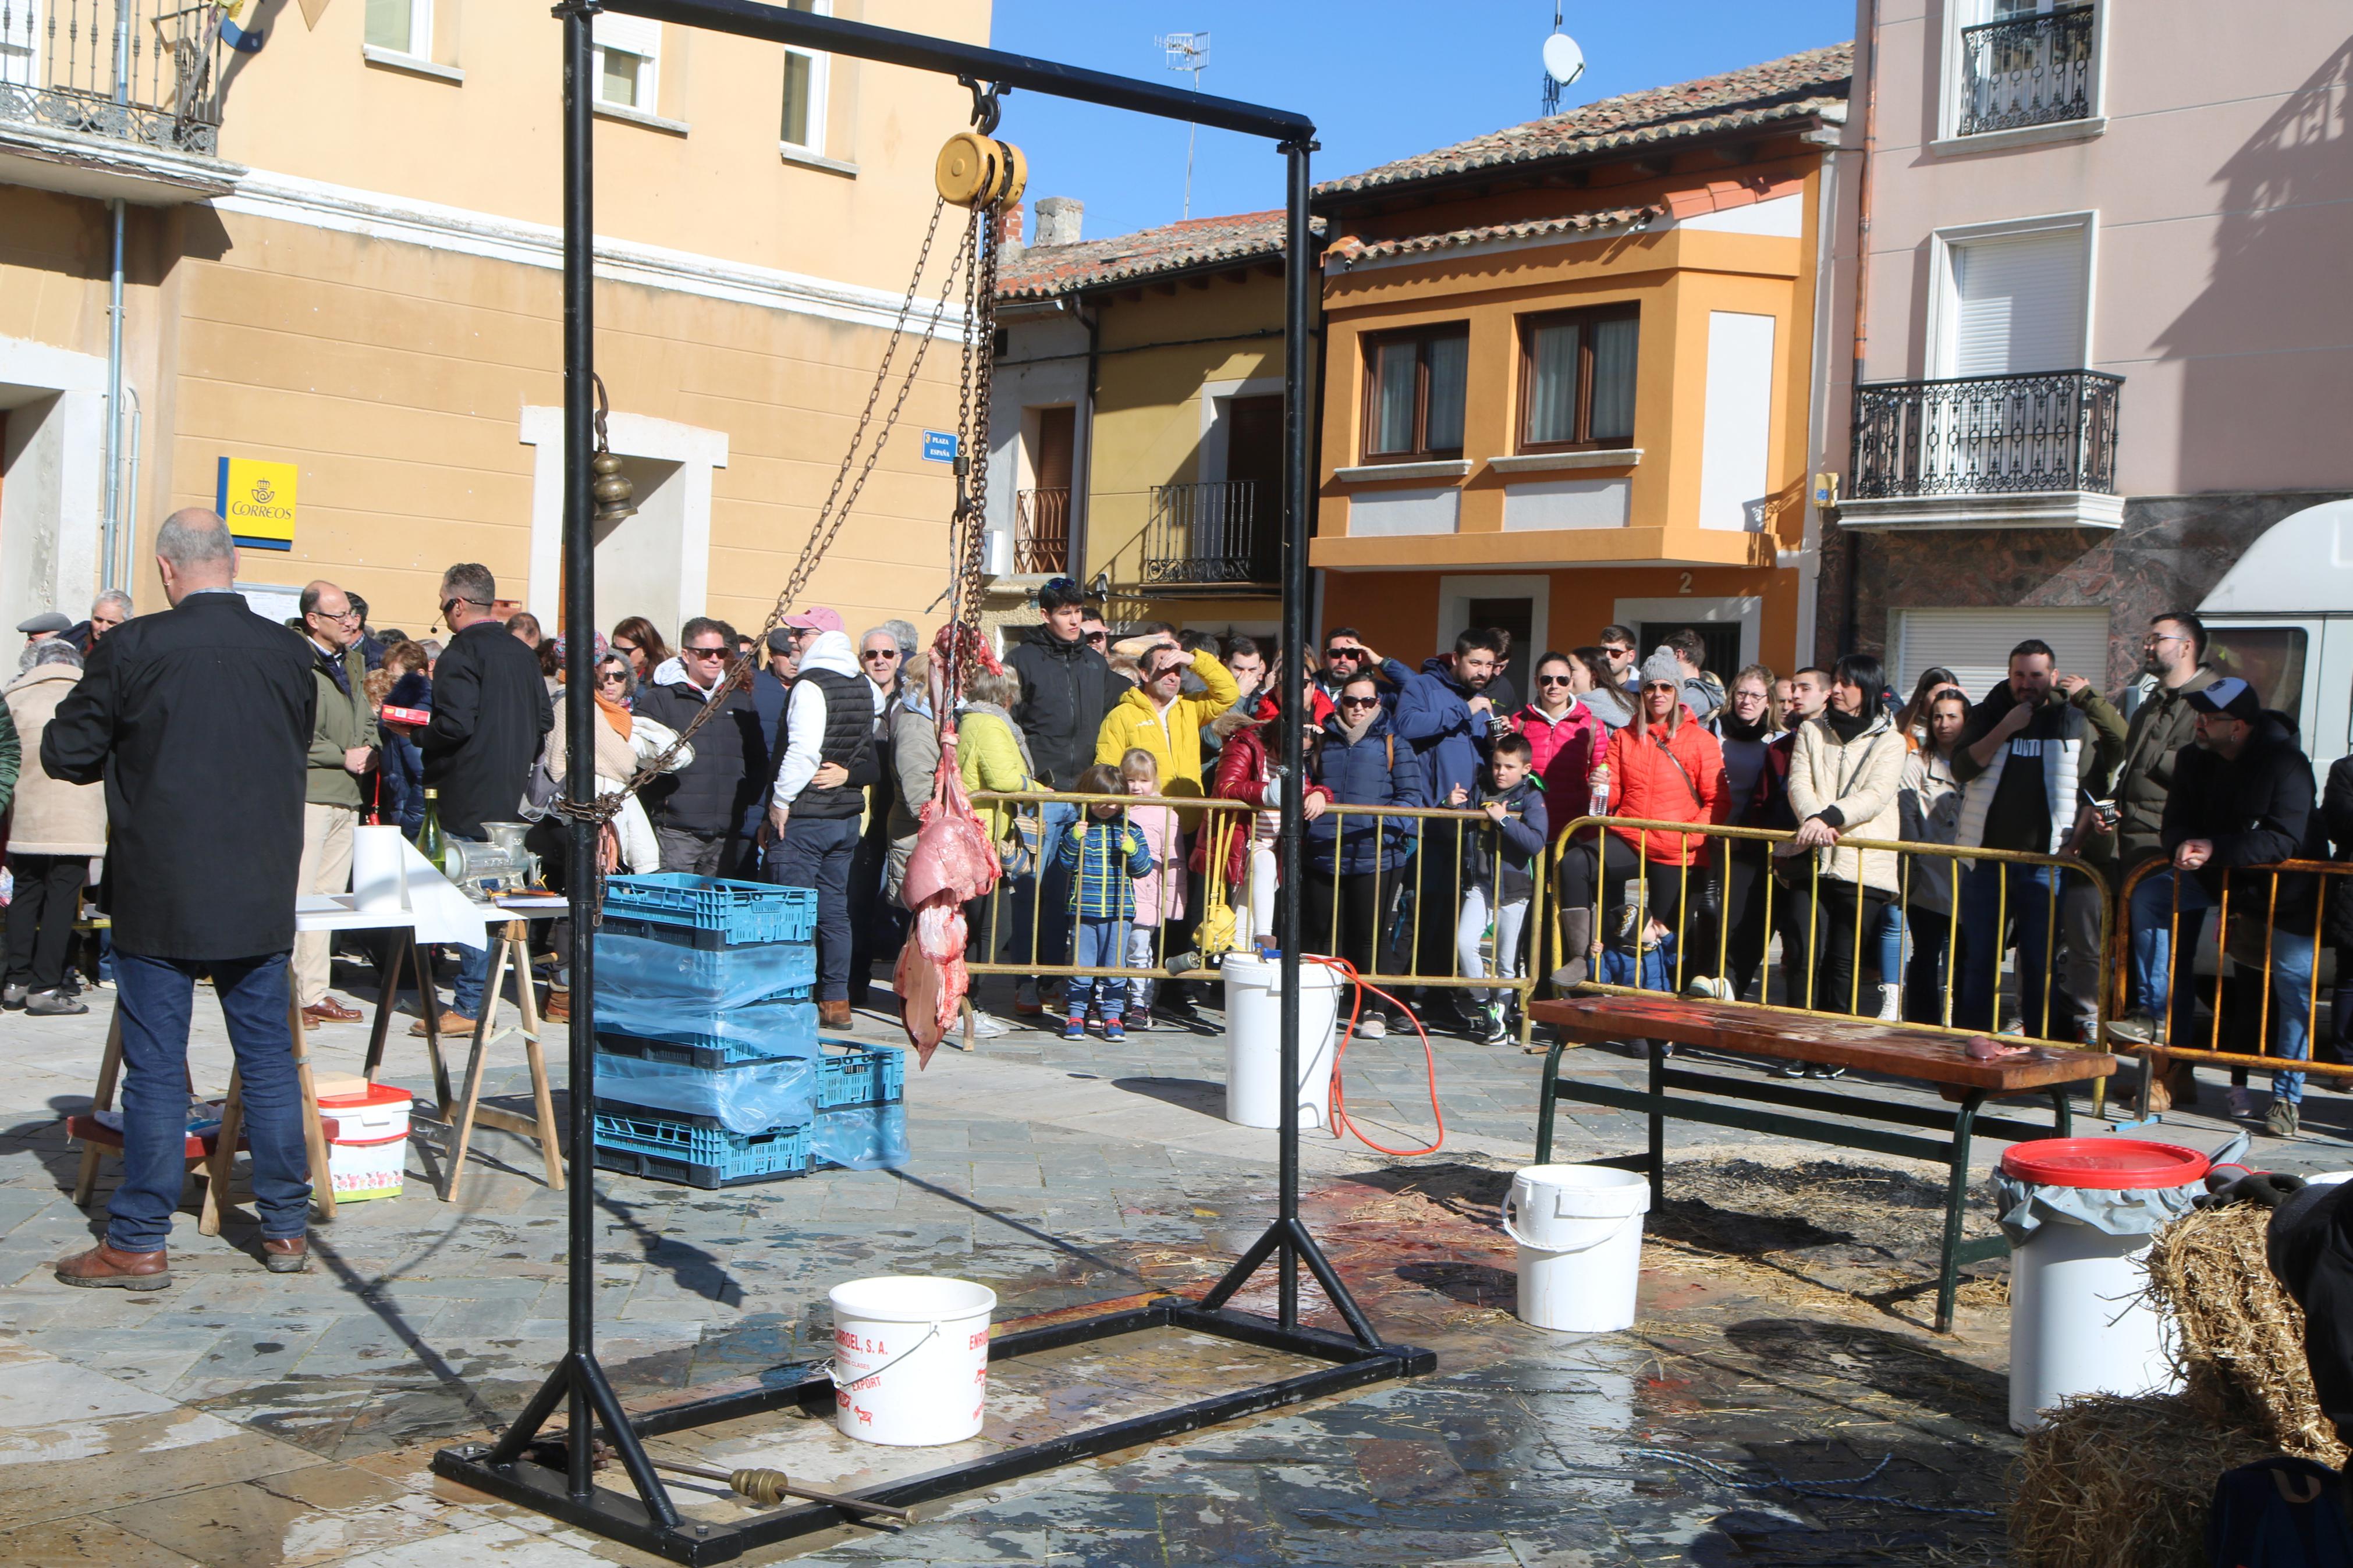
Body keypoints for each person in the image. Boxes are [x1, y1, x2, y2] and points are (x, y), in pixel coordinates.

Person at [45, 509, 317, 1286]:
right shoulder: (285, 650)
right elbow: (293, 744)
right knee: (267, 1058)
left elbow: (67, 750)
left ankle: (138, 1237)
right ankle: (287, 1227)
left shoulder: (135, 644)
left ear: (168, 569)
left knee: (159, 1066)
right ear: (228, 562)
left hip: (161, 884)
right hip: (258, 881)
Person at [2157, 677, 2325, 1137]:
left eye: (2211, 718)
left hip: (2285, 893)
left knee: (2291, 994)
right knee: (2150, 893)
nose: (2200, 724)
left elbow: (2283, 839)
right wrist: (2181, 846)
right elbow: (2174, 820)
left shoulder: (2286, 762)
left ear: (2239, 728)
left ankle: (2286, 1098)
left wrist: (2210, 846)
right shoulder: (2193, 758)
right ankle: (2150, 1015)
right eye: (2199, 715)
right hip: (2223, 879)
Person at [416, 563, 552, 1036]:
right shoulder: (521, 654)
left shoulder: (461, 653)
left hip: (464, 788)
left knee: (469, 896)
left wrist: (416, 731)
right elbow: (543, 721)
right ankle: (481, 998)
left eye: (442, 602)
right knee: (496, 896)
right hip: (510, 788)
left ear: (456, 604)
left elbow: (454, 724)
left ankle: (471, 1005)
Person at [1949, 641, 2094, 1036]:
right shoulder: (1989, 712)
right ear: (2008, 674)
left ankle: (2038, 1044)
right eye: (2019, 674)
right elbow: (1961, 769)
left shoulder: (2072, 719)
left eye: (2035, 675)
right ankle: (1972, 1041)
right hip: (1986, 862)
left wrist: (2073, 844)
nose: (2026, 683)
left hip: (2043, 865)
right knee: (1979, 957)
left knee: (2038, 962)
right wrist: (2006, 727)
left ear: (2052, 675)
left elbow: (2093, 788)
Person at [1567, 649, 1729, 995]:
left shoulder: (1702, 741)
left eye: (1666, 687)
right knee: (1574, 863)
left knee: (1665, 935)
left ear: (1677, 691)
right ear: (1641, 693)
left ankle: (1669, 1012)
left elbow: (1718, 803)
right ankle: (1582, 958)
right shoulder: (1623, 737)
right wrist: (1601, 786)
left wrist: (1689, 838)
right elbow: (1611, 803)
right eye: (1650, 687)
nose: (1658, 694)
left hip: (1678, 847)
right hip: (1630, 835)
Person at [2104, 614, 2223, 1075]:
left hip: (2171, 847)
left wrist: (2155, 761)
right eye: (2146, 638)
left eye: (2157, 639)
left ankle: (2168, 1073)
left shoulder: (2211, 699)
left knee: (2170, 963)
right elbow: (2131, 768)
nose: (2147, 647)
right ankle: (2149, 1071)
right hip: (2132, 845)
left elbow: (2205, 767)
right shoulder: (2155, 700)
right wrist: (2109, 808)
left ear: (2187, 645)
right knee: (2141, 965)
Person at [1779, 653, 1910, 1040]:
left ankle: (1832, 1043)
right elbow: (1798, 783)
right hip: (1811, 855)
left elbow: (1876, 795)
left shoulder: (1891, 740)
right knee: (1802, 954)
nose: (1835, 689)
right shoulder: (1810, 730)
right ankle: (1799, 1039)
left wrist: (1828, 818)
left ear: (1866, 688)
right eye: (1834, 681)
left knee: (1843, 960)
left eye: (1845, 683)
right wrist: (1814, 821)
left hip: (1862, 862)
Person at [1005, 579, 1122, 1011]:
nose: (1074, 619)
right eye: (1065, 612)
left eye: (1078, 610)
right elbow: (1008, 724)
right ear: (1045, 615)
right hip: (1044, 793)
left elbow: (1122, 710)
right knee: (1033, 887)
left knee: (1070, 890)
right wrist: (1027, 781)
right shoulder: (1021, 660)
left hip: (1088, 796)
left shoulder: (1094, 663)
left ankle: (1054, 976)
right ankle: (1024, 979)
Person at [1392, 629, 1505, 1018]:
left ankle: (1440, 999)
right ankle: (1394, 1000)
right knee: (1415, 911)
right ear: (1455, 658)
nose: (1483, 671)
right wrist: (1465, 710)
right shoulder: (1423, 686)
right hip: (1427, 820)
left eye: (1489, 665)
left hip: (1466, 826)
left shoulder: (1480, 701)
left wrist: (1497, 742)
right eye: (1475, 662)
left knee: (1449, 915)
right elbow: (1406, 727)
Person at [765, 621, 873, 1029]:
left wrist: (779, 801)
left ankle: (789, 999)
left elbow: (804, 751)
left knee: (792, 911)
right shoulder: (863, 684)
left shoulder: (810, 685)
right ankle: (835, 999)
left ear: (820, 638)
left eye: (803, 634)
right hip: (844, 817)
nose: (794, 641)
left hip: (808, 815)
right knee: (833, 912)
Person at [1305, 673, 1413, 1035]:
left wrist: (1385, 833)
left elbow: (1410, 798)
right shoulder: (1323, 741)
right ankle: (1319, 1001)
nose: (1359, 708)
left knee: (1370, 935)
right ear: (1341, 702)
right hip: (1325, 848)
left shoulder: (1394, 742)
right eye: (1352, 701)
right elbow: (1307, 784)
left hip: (1375, 853)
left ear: (1378, 704)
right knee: (1322, 932)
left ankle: (1373, 1009)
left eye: (1367, 702)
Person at [293, 580, 376, 1027]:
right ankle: (289, 993)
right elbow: (294, 731)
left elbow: (365, 714)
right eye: (340, 614)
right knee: (300, 896)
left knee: (325, 901)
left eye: (352, 613)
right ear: (314, 620)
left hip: (347, 794)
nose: (351, 621)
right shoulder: (296, 661)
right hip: (311, 795)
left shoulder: (353, 662)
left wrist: (370, 746)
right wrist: (339, 755)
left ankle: (313, 992)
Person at [3, 641, 102, 1014]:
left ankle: (16, 981)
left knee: (25, 893)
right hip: (77, 814)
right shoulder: (90, 693)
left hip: (25, 812)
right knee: (63, 897)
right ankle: (45, 989)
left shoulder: (17, 697)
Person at [634, 616, 765, 877]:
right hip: (676, 831)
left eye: (721, 652)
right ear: (687, 655)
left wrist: (743, 802)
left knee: (713, 913)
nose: (715, 659)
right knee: (673, 911)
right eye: (706, 653)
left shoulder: (738, 700)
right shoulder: (659, 699)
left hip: (726, 831)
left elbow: (758, 760)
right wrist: (666, 804)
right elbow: (641, 762)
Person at [1047, 762, 1153, 1042]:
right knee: (1081, 967)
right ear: (1086, 796)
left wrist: (1132, 850)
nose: (1106, 807)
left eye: (1112, 802)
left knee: (1115, 968)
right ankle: (1076, 1014)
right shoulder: (1077, 827)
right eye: (1100, 801)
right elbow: (1065, 865)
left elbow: (1142, 869)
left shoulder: (1132, 829)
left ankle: (1113, 1016)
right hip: (1084, 911)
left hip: (1120, 912)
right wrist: (1072, 840)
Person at [1454, 730, 1548, 1044]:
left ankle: (1503, 1018)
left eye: (1508, 767)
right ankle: (1485, 1006)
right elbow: (1463, 822)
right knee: (1465, 942)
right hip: (1481, 883)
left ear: (1525, 769)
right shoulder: (1481, 788)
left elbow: (1536, 842)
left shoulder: (1532, 796)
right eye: (1497, 765)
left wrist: (1505, 821)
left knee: (1507, 962)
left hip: (1515, 888)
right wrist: (1451, 805)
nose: (1500, 772)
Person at [1898, 688, 1968, 1024]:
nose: (1944, 724)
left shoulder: (1981, 759)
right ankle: (1920, 1026)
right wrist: (1918, 859)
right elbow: (1907, 814)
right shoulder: (1916, 762)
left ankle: (1966, 1027)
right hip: (1927, 875)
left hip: (1968, 877)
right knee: (1925, 953)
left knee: (1965, 957)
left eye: (1953, 716)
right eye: (1938, 716)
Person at [1712, 664, 1780, 1001]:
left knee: (1735, 917)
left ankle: (1726, 984)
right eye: (1741, 693)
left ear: (1768, 701)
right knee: (1705, 913)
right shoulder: (1714, 728)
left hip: (1747, 840)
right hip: (1707, 833)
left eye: (1756, 695)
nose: (1747, 701)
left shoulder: (1776, 740)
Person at [1095, 638, 1239, 792]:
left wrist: (1193, 660)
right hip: (1144, 813)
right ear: (1145, 674)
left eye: (1177, 670)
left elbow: (1229, 694)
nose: (1172, 677)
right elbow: (1107, 772)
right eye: (1164, 669)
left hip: (1190, 812)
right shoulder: (1121, 716)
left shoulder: (1190, 707)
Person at [1119, 748, 1185, 1029]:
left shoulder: (1165, 813)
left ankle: (1140, 1004)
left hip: (1147, 895)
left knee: (1140, 951)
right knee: (1114, 951)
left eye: (1143, 781)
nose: (1136, 787)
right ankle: (1112, 1001)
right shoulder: (1110, 806)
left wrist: (1172, 905)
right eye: (1131, 780)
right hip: (1113, 894)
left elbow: (1174, 862)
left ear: (1154, 781)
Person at [1516, 651, 1605, 840]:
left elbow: (1600, 785)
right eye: (1547, 679)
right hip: (1527, 825)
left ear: (1571, 682)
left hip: (1573, 829)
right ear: (1536, 682)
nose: (1554, 686)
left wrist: (1591, 830)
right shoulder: (1519, 723)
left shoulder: (1592, 726)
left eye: (1562, 680)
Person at [1570, 646, 1634, 731]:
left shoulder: (1611, 713)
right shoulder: (1623, 702)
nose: (1565, 675)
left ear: (1593, 675)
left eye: (1571, 670)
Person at [609, 616, 670, 685]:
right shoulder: (609, 675)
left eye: (626, 651)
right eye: (616, 649)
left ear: (645, 649)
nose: (620, 656)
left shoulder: (661, 680)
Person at [1598, 625, 1640, 693]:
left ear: (1630, 656)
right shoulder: (1588, 684)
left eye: (1615, 652)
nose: (1607, 656)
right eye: (1603, 650)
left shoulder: (1643, 689)